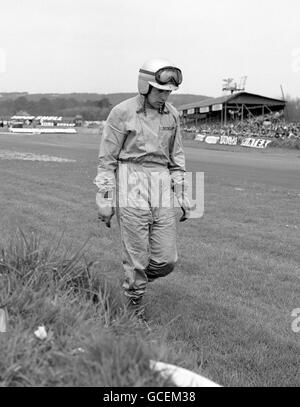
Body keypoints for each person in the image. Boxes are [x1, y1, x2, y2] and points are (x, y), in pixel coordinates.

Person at [94, 58, 191, 319]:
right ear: (144, 86)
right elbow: (106, 160)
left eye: (168, 92)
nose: (165, 96)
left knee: (167, 260)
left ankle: (135, 279)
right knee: (136, 253)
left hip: (161, 182)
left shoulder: (173, 114)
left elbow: (177, 157)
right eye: (160, 91)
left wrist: (183, 193)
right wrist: (105, 199)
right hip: (130, 178)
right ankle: (133, 307)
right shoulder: (121, 112)